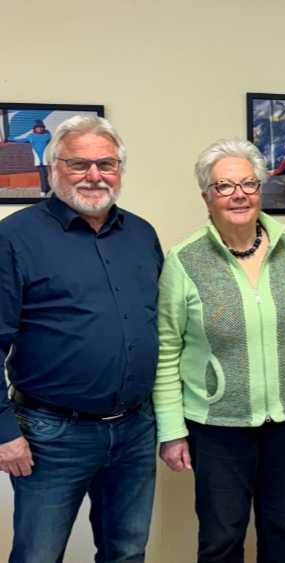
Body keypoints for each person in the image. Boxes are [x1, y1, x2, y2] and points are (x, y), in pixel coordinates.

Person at [154, 138, 285, 563]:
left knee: (284, 528)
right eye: (224, 186)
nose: (239, 194)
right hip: (216, 426)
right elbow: (166, 348)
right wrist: (171, 429)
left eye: (249, 184)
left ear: (260, 189)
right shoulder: (185, 260)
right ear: (207, 197)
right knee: (222, 537)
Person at [0, 115, 163, 562]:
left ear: (120, 170)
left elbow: (158, 326)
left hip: (134, 430)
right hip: (52, 435)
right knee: (38, 555)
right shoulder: (14, 238)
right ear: (53, 168)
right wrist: (3, 432)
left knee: (126, 552)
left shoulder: (141, 234)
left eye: (106, 164)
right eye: (78, 164)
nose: (94, 175)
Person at [9, 119, 53, 196]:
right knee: (42, 175)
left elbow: (52, 141)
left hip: (46, 159)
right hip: (38, 161)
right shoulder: (31, 136)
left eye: (41, 127)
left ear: (43, 128)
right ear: (34, 128)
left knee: (47, 175)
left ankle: (47, 187)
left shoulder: (47, 135)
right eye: (37, 127)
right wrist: (10, 139)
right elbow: (22, 140)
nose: (39, 129)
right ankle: (43, 190)